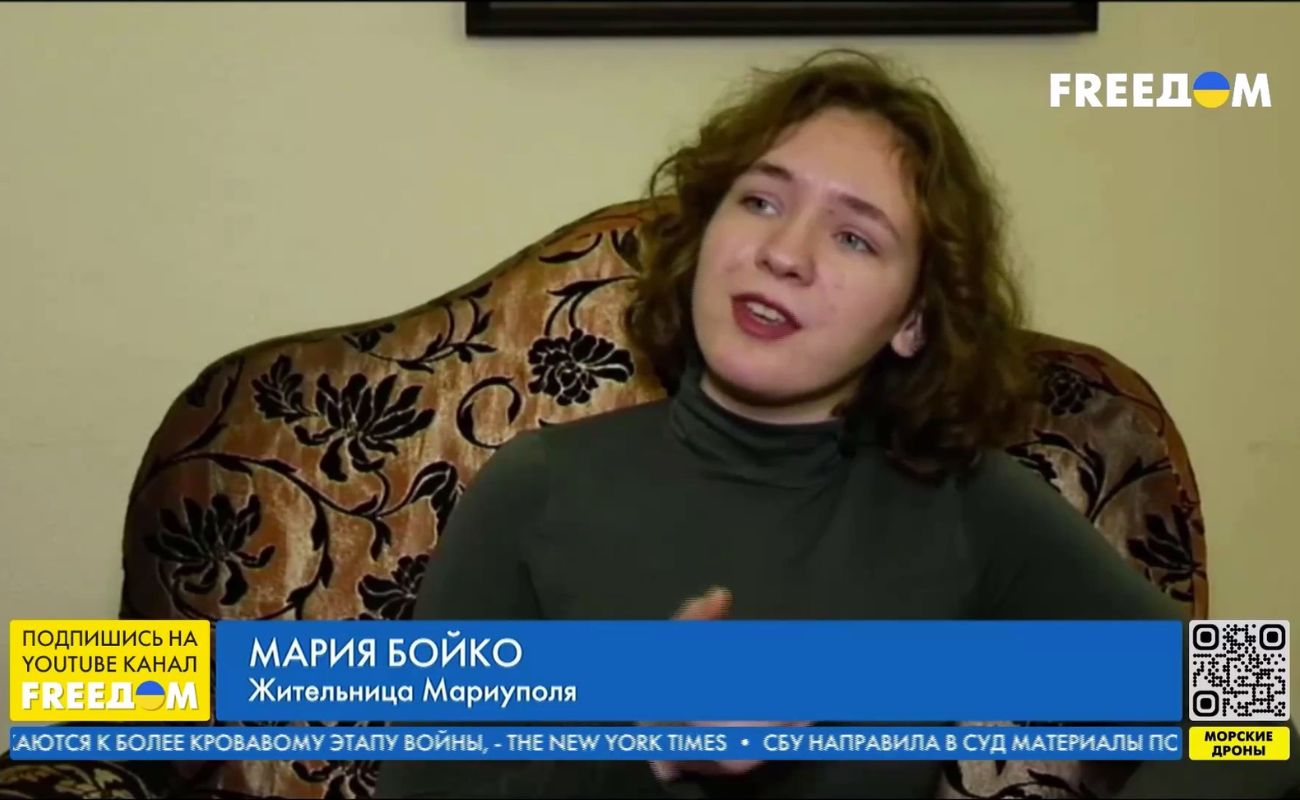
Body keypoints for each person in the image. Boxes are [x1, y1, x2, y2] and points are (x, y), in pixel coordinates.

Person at [377, 50, 1299, 799]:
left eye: (855, 236)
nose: (784, 253)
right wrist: (644, 746)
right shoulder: (537, 490)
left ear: (914, 320)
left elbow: (1258, 716)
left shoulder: (965, 505)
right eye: (761, 200)